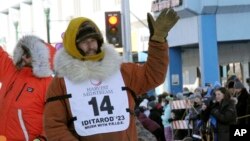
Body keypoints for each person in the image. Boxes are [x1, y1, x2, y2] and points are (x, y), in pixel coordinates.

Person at [43, 8, 179, 141]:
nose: (90, 45)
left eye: (93, 40)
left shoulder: (122, 72)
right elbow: (54, 125)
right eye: (84, 42)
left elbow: (153, 76)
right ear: (73, 45)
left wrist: (158, 41)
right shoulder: (61, 82)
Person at [0, 35, 55, 141]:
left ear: (41, 56)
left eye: (29, 54)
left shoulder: (48, 83)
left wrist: (43, 138)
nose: (24, 56)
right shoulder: (11, 70)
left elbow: (56, 117)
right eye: (23, 51)